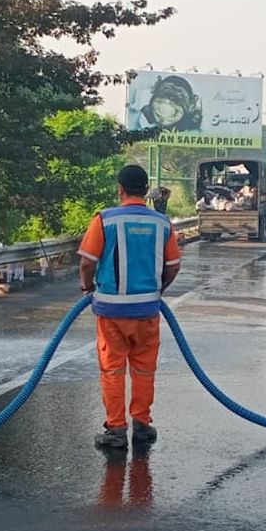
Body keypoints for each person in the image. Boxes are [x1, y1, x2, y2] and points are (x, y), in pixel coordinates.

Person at [78, 165, 182, 450]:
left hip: (111, 313)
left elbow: (87, 262)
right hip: (147, 312)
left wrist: (87, 289)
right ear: (146, 190)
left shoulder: (105, 220)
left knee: (112, 371)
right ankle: (142, 425)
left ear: (120, 189)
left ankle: (115, 430)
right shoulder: (162, 223)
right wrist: (157, 290)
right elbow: (173, 266)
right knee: (144, 370)